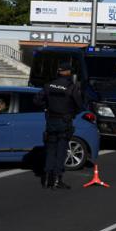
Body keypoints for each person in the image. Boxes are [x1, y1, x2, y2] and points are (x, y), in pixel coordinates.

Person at [34, 62, 83, 190]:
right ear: (67, 72)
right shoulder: (71, 87)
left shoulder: (49, 85)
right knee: (61, 152)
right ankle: (56, 180)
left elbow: (37, 100)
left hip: (51, 121)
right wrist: (71, 113)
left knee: (50, 150)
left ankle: (46, 179)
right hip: (64, 122)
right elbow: (80, 105)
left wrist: (46, 107)